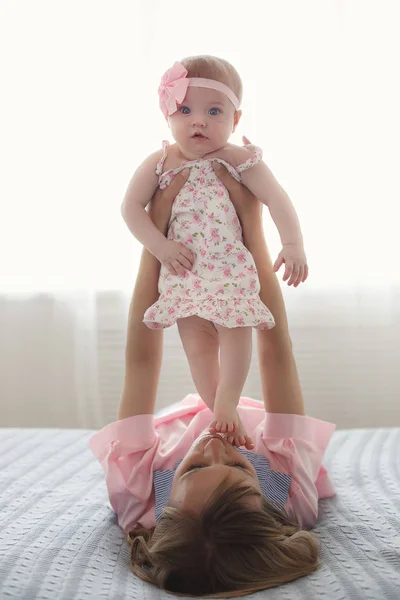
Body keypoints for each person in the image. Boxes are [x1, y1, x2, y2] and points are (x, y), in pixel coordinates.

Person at [88, 166, 336, 597]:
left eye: (197, 466)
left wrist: (159, 231)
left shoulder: (137, 497)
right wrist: (251, 226)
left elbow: (141, 361)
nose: (216, 445)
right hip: (248, 414)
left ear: (164, 510)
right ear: (268, 500)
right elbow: (276, 351)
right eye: (241, 467)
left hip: (172, 426)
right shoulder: (289, 492)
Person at [120, 55, 308, 443]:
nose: (198, 120)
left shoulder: (240, 159)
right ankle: (225, 414)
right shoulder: (160, 162)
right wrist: (161, 247)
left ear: (236, 120)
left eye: (214, 111)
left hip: (230, 273)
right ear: (168, 115)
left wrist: (292, 244)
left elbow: (277, 199)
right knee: (198, 347)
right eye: (185, 110)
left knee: (236, 335)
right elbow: (130, 208)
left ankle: (228, 400)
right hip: (184, 272)